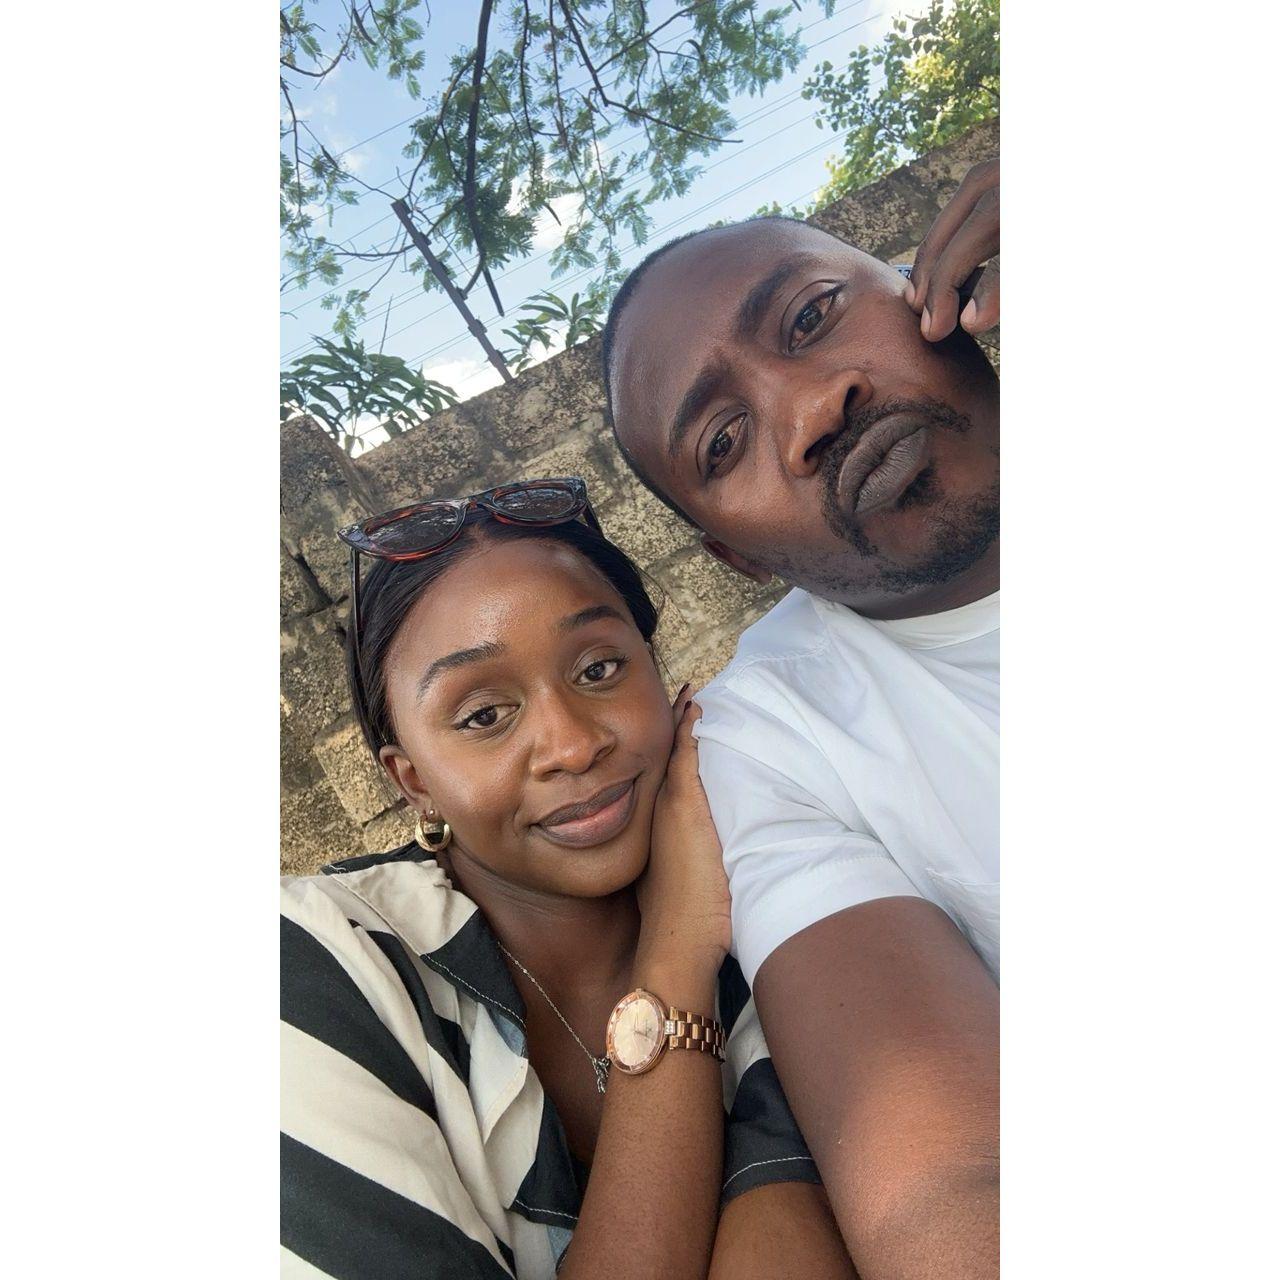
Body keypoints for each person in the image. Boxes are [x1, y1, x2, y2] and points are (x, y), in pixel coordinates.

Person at [280, 479, 857, 1280]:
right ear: (413, 781)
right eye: (484, 716)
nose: (573, 744)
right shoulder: (318, 967)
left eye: (599, 668)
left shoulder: (780, 856)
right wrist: (676, 956)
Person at [600, 161, 1001, 1279]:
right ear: (733, 555)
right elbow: (948, 1192)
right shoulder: (770, 739)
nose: (815, 409)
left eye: (813, 316)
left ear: (927, 283)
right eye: (722, 443)